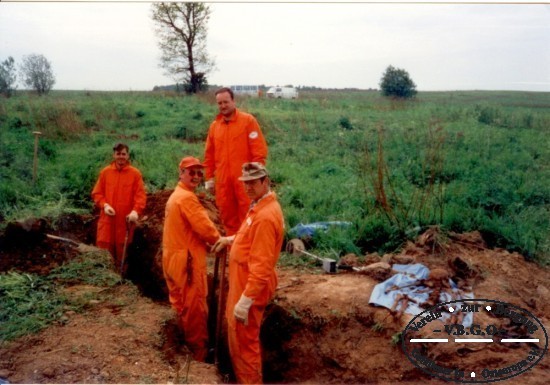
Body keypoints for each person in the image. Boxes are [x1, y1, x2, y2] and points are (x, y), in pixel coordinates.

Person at [212, 162, 284, 384]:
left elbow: (261, 266)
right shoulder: (259, 207)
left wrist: (245, 301)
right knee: (241, 341)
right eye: (246, 183)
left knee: (245, 346)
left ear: (265, 181)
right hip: (243, 283)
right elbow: (249, 239)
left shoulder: (265, 216)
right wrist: (231, 240)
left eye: (253, 183)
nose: (248, 187)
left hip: (249, 288)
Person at [162, 156, 232, 362]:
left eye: (199, 172)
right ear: (181, 173)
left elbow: (191, 230)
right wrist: (219, 240)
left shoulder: (176, 196)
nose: (196, 176)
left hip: (174, 258)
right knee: (195, 309)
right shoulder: (186, 198)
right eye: (191, 172)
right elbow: (204, 227)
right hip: (187, 263)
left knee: (180, 305)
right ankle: (198, 358)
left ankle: (182, 348)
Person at [204, 87, 269, 236]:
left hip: (245, 182)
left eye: (226, 102)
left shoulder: (247, 121)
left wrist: (255, 178)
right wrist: (209, 178)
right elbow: (209, 155)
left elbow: (259, 152)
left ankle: (248, 254)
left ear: (233, 101)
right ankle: (233, 255)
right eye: (219, 103)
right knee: (228, 220)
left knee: (248, 218)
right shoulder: (215, 127)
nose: (223, 106)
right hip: (223, 184)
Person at [91, 143, 146, 274]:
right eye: (118, 154)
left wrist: (135, 211)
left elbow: (140, 196)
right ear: (113, 155)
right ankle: (104, 277)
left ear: (128, 155)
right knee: (104, 250)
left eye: (123, 154)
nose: (121, 157)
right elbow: (97, 193)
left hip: (124, 221)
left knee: (123, 253)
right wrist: (105, 205)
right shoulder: (105, 172)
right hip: (107, 220)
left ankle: (121, 282)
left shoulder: (135, 174)